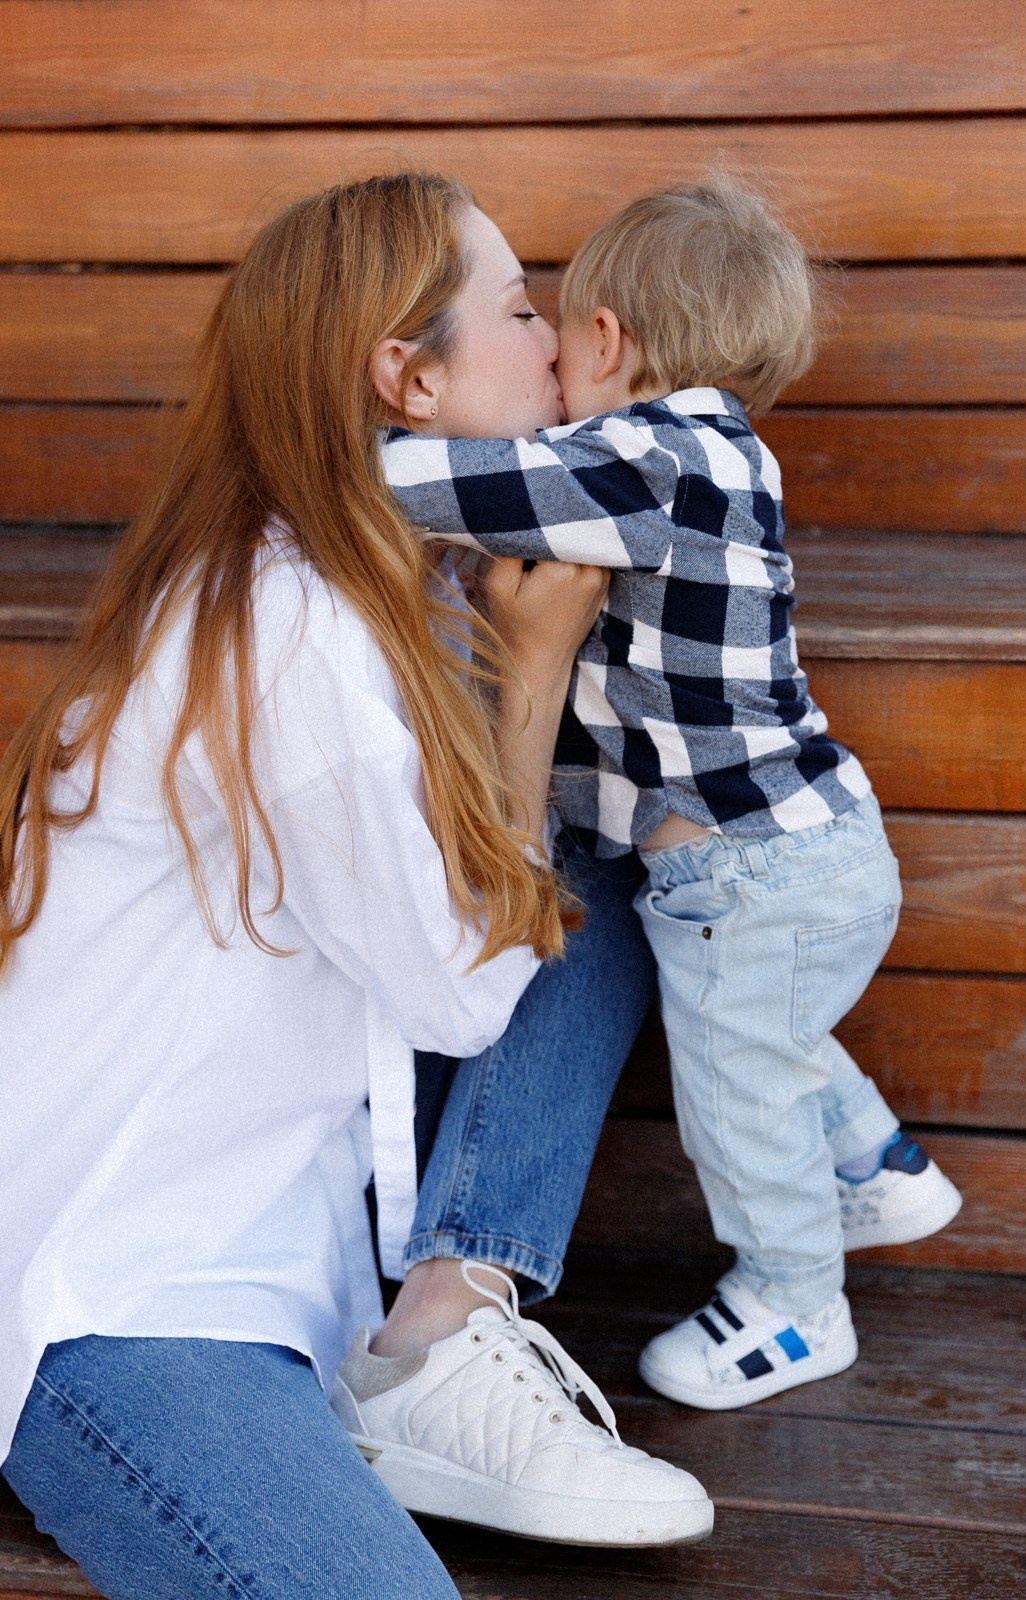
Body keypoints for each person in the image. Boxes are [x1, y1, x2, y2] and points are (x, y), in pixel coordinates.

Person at [0, 173, 712, 1600]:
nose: (561, 345)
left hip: (297, 1250)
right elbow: (462, 992)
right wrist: (535, 680)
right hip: (137, 1303)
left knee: (617, 868)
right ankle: (434, 1341)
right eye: (520, 309)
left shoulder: (378, 583)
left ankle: (444, 1323)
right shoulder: (293, 632)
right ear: (407, 374)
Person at [379, 175, 963, 1415]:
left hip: (749, 874)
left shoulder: (654, 457)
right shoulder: (710, 457)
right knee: (766, 1032)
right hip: (794, 853)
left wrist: (340, 453)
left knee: (735, 1094)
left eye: (554, 327)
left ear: (608, 341)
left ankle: (795, 1303)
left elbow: (456, 491)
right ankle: (877, 1163)